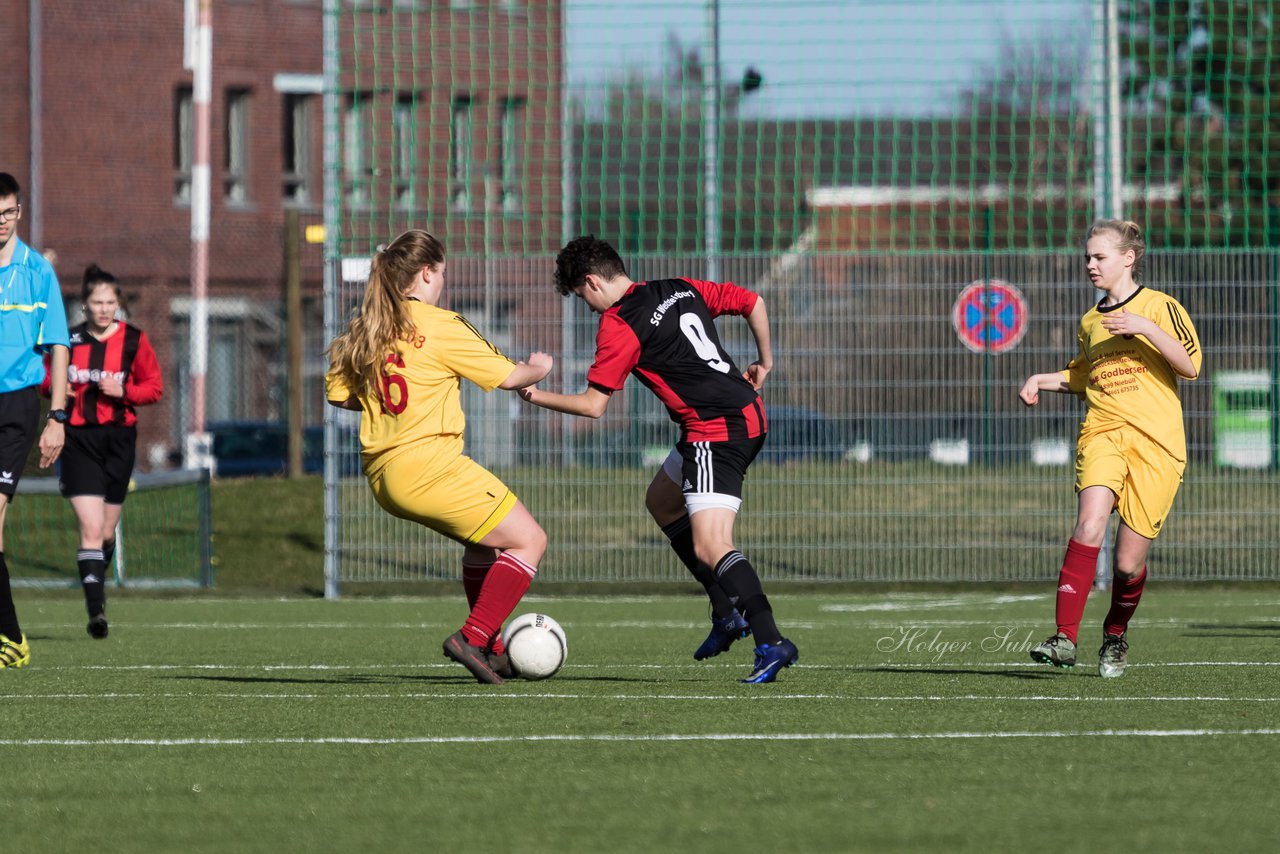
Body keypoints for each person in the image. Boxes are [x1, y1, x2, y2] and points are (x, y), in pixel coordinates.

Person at [519, 235, 799, 684]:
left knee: (712, 544)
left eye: (580, 297)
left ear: (591, 282)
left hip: (716, 430)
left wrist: (536, 396)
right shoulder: (676, 286)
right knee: (662, 501)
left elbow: (594, 405)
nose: (587, 308)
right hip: (741, 411)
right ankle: (726, 613)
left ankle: (770, 640)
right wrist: (764, 361)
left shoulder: (619, 323)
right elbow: (752, 301)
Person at [325, 229, 553, 685]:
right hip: (431, 466)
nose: (443, 281)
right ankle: (474, 636)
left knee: (482, 542)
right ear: (427, 272)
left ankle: (489, 647)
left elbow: (338, 394)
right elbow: (508, 376)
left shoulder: (368, 324)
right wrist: (540, 366)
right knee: (530, 540)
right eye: (442, 272)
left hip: (384, 477)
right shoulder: (440, 323)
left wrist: (391, 407)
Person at [1019, 219, 1201, 678]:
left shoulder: (1160, 307)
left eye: (1099, 257)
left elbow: (1190, 365)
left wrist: (1144, 327)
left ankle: (1115, 634)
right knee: (1090, 522)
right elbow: (1084, 377)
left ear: (1128, 257)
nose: (1090, 265)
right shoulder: (1090, 321)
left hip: (1158, 444)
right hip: (1103, 432)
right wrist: (1044, 378)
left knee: (1126, 563)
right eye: (1087, 257)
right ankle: (1064, 638)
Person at [42, 264, 163, 639]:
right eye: (97, 302)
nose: (104, 309)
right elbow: (44, 375)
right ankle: (96, 612)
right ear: (85, 304)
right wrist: (60, 390)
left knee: (107, 531)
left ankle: (99, 573)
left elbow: (154, 387)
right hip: (78, 440)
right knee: (91, 527)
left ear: (118, 304)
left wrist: (124, 392)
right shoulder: (69, 340)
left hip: (118, 441)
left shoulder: (133, 341)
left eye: (111, 302)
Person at [0, 172, 71, 669]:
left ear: (19, 212)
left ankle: (11, 639)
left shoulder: (37, 272)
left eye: (7, 212)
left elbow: (60, 347)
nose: (0, 222)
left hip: (17, 405)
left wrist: (58, 417)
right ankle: (10, 636)